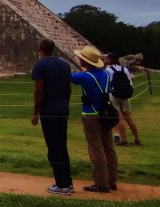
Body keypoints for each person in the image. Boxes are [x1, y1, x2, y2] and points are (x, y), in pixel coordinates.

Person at [71, 46, 118, 193]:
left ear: (86, 61)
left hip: (92, 115)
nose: (79, 59)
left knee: (96, 150)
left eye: (81, 58)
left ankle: (101, 183)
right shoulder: (105, 74)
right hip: (105, 114)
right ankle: (111, 180)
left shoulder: (85, 77)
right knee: (109, 148)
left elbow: (69, 77)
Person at [31, 38, 73, 195]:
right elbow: (68, 89)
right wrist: (64, 104)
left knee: (53, 147)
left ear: (40, 49)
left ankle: (61, 185)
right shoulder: (65, 64)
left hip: (49, 110)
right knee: (62, 145)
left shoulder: (40, 65)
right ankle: (68, 181)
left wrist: (36, 112)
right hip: (63, 109)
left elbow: (39, 92)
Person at [105, 52, 141, 146]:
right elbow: (130, 82)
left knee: (119, 118)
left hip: (114, 95)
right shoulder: (124, 69)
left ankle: (124, 140)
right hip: (126, 95)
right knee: (129, 118)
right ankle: (137, 139)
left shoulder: (108, 70)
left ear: (109, 59)